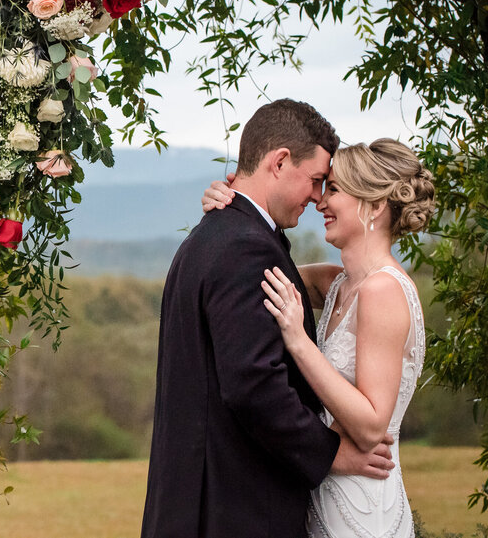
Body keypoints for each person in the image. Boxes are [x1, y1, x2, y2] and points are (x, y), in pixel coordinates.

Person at [140, 100, 395, 538]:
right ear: (279, 162)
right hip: (235, 512)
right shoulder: (245, 247)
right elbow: (254, 385)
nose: (317, 198)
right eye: (316, 181)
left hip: (197, 506)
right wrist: (333, 454)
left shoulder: (218, 234)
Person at [202, 138, 435, 538]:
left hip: (362, 510)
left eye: (335, 190)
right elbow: (259, 268)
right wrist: (235, 206)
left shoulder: (383, 292)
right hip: (323, 495)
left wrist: (299, 340)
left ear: (375, 206)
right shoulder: (339, 283)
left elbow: (370, 426)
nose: (320, 203)